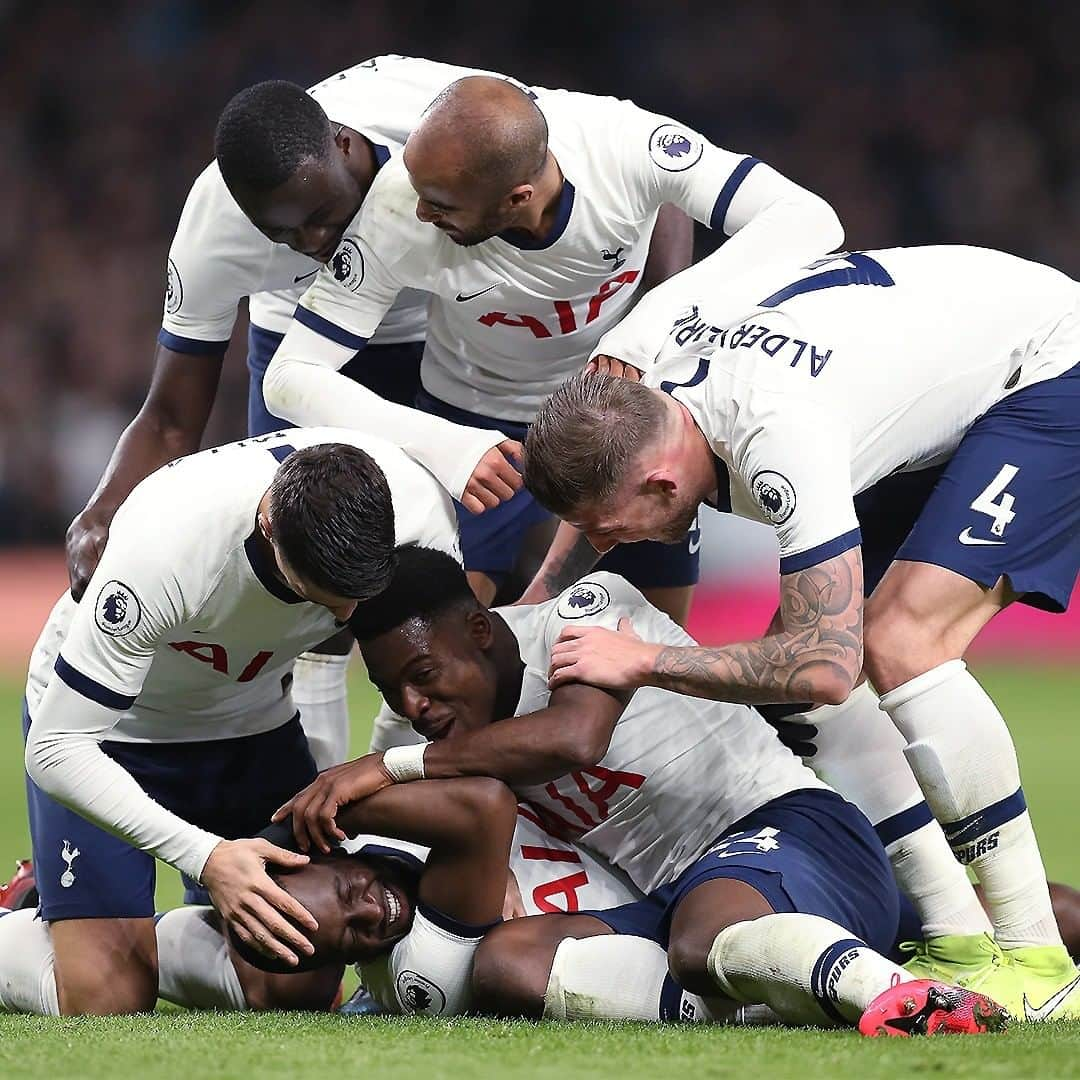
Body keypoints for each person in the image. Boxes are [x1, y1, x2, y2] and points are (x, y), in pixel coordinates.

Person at [520, 243, 1080, 1020]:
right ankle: (957, 936)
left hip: (1048, 363)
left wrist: (645, 660)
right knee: (812, 699)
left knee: (897, 642)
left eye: (614, 529)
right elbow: (603, 503)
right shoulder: (646, 398)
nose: (610, 544)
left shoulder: (775, 441)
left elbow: (822, 663)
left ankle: (1036, 957)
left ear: (658, 481)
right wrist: (533, 606)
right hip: (926, 375)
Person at [262, 548, 1005, 1035]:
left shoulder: (581, 612)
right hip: (679, 894)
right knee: (510, 967)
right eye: (396, 690)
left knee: (703, 940)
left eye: (425, 676)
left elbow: (574, 736)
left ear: (481, 632)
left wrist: (389, 767)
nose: (416, 706)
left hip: (784, 828)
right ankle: (807, 983)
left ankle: (903, 997)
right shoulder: (443, 744)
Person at [241, 74, 844, 622]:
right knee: (444, 641)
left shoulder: (623, 144)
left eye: (442, 205)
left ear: (517, 198)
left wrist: (643, 331)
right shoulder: (399, 208)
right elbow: (289, 376)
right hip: (474, 417)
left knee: (671, 626)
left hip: (611, 411)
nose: (419, 211)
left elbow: (808, 219)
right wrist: (445, 446)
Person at [64, 55, 523, 770]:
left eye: (318, 216)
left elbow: (600, 154)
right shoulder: (213, 229)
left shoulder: (432, 111)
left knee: (452, 588)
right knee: (312, 586)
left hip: (447, 327)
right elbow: (170, 415)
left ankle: (413, 784)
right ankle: (328, 809)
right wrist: (102, 508)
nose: (312, 244)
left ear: (344, 144)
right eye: (282, 235)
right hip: (303, 345)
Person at [15, 428, 459, 1016]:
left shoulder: (418, 518)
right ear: (270, 525)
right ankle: (24, 919)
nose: (346, 616)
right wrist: (207, 857)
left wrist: (378, 792)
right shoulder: (168, 546)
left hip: (252, 727)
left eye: (357, 595)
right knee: (107, 1002)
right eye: (323, 596)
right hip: (113, 733)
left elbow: (425, 692)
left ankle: (135, 940)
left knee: (297, 981)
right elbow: (55, 748)